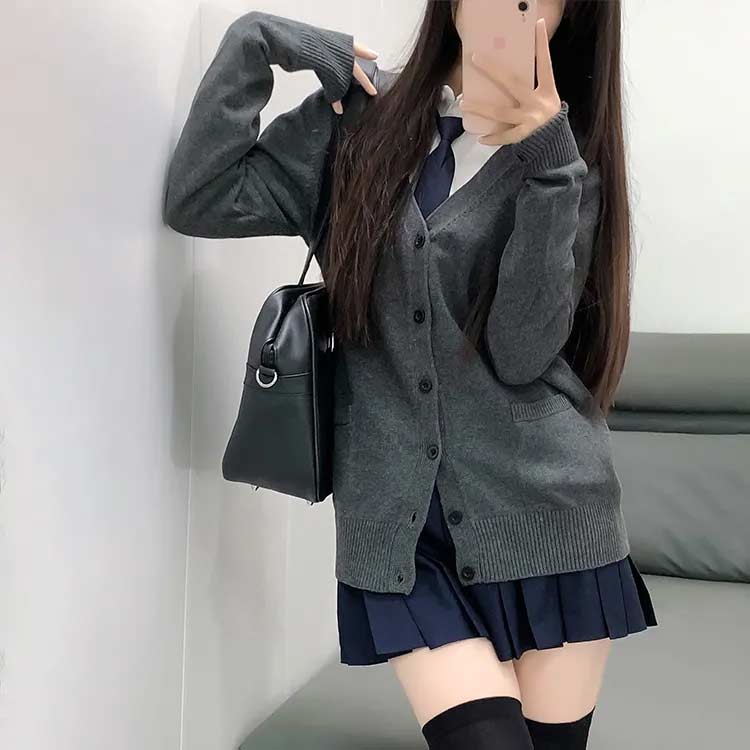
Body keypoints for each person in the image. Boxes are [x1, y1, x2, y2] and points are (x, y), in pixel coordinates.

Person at [164, 2, 658, 748]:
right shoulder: (354, 122)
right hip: (399, 532)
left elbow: (522, 354)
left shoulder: (567, 157)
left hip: (551, 519)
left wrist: (551, 169)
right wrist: (259, 42)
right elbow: (201, 198)